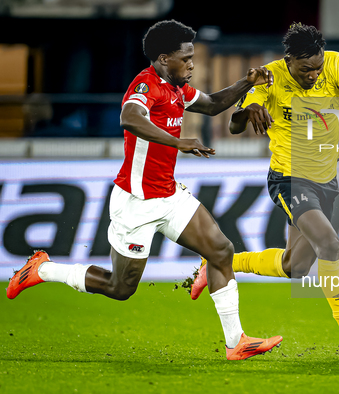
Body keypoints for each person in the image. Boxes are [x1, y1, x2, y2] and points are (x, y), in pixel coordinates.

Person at [6, 19, 282, 361]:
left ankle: (235, 342)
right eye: (186, 58)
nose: (192, 63)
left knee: (221, 251)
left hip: (168, 195)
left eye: (193, 57)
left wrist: (245, 82)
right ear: (164, 58)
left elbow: (211, 104)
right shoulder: (145, 86)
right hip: (136, 203)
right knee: (120, 288)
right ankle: (42, 269)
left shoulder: (178, 88)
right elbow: (130, 118)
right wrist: (177, 141)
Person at [190, 23, 339, 361]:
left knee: (295, 266)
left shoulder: (336, 64)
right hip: (289, 178)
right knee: (329, 244)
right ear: (289, 61)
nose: (313, 74)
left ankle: (220, 264)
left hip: (327, 179)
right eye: (305, 68)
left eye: (317, 67)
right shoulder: (268, 77)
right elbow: (233, 126)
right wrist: (246, 110)